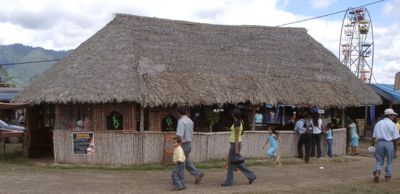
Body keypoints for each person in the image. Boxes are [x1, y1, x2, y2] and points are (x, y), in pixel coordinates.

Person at [221, 108, 256, 187]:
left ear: (234, 114)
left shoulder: (237, 123)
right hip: (237, 143)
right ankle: (251, 176)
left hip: (235, 144)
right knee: (238, 163)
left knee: (230, 163)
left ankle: (229, 182)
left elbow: (237, 135)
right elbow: (241, 132)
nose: (231, 114)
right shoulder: (241, 122)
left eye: (232, 113)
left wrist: (236, 147)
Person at [175, 106, 204, 184]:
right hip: (189, 143)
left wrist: (177, 144)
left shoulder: (181, 121)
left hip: (183, 144)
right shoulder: (190, 121)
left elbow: (179, 135)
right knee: (186, 161)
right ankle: (197, 173)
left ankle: (181, 180)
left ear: (178, 113)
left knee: (180, 162)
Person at [372, 108, 400, 183]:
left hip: (379, 143)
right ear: (390, 115)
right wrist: (395, 151)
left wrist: (372, 146)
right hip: (389, 143)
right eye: (393, 115)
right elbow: (396, 139)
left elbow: (374, 137)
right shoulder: (393, 124)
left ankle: (377, 172)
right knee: (389, 161)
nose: (394, 117)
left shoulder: (378, 123)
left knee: (379, 160)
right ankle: (388, 176)